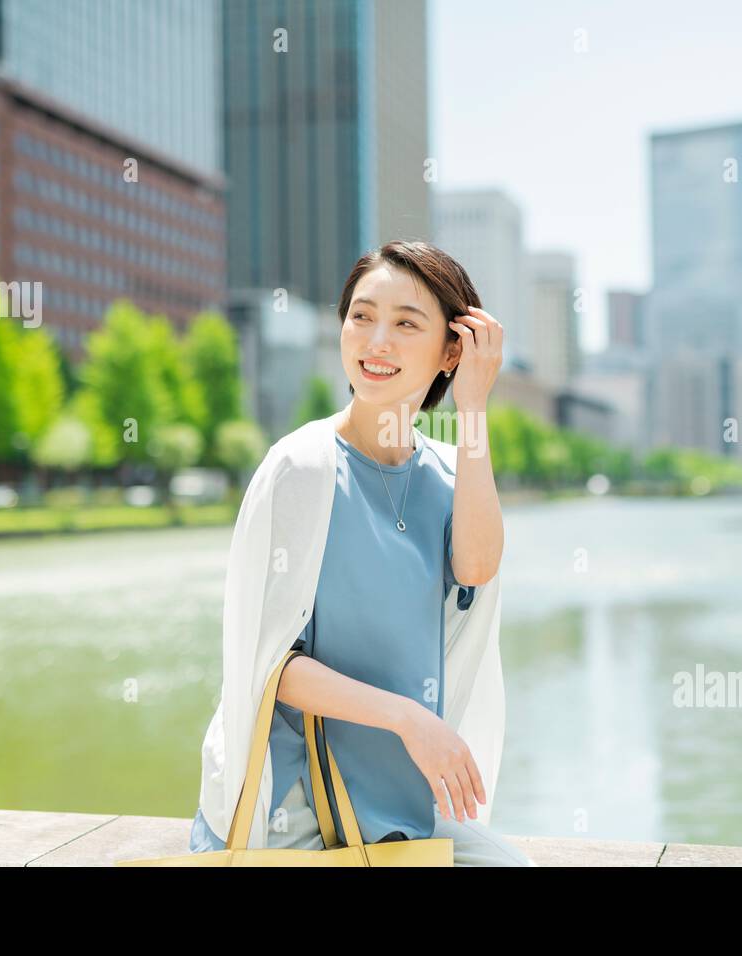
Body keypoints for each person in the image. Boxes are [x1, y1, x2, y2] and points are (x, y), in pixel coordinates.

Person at [189, 240, 534, 866]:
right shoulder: (301, 467)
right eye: (362, 316)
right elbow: (268, 664)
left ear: (452, 350)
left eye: (407, 323)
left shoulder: (448, 473)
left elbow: (478, 569)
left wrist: (474, 408)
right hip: (291, 806)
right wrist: (408, 718)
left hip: (398, 799)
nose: (377, 342)